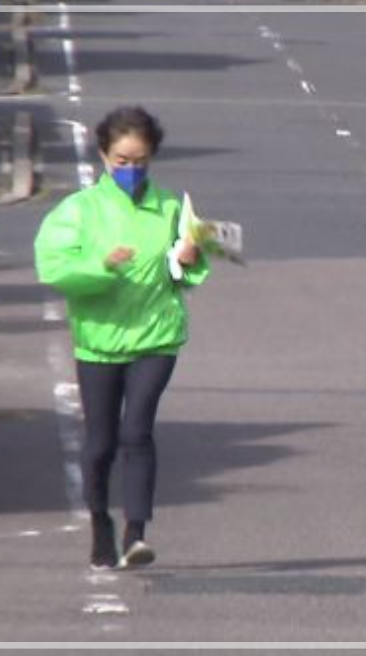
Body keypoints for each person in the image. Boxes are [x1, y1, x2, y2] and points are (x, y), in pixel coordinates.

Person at [35, 106, 209, 570]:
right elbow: (55, 269)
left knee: (138, 432)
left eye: (140, 162)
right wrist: (102, 265)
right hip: (99, 341)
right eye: (121, 161)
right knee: (100, 443)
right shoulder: (79, 211)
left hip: (156, 337)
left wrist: (189, 257)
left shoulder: (170, 207)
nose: (131, 170)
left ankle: (136, 533)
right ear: (103, 156)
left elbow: (184, 273)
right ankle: (100, 524)